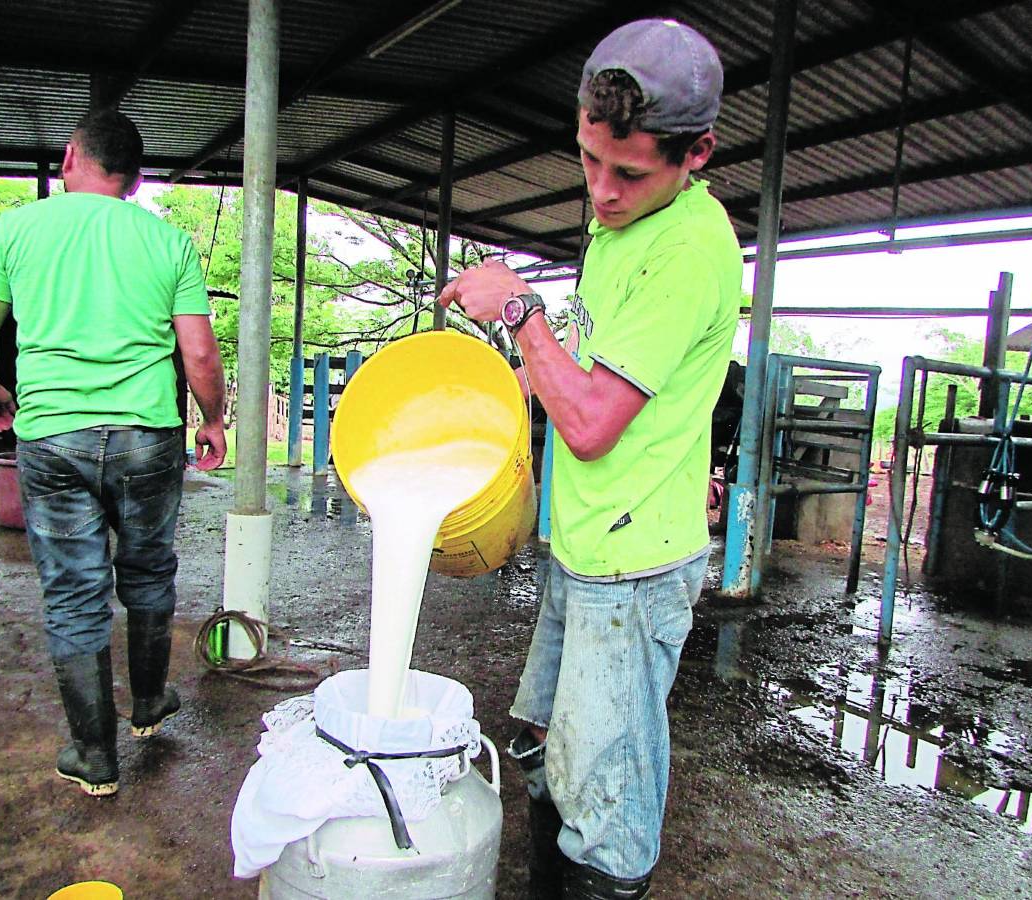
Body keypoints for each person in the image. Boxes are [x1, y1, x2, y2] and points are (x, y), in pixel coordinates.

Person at [439, 19, 741, 899]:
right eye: (589, 160)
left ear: (697, 153)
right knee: (542, 746)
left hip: (634, 566)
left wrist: (519, 310)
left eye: (629, 174)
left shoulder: (688, 249)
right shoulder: (623, 229)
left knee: (607, 806)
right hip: (587, 545)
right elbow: (587, 368)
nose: (603, 192)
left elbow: (591, 424)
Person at [0, 109, 227, 798]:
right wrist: (213, 420)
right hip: (146, 435)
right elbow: (198, 353)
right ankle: (149, 705)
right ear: (134, 179)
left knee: (74, 591)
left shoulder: (16, 228)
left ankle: (94, 754)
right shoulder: (168, 241)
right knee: (148, 569)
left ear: (71, 156)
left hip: (52, 437)